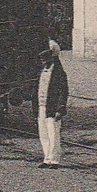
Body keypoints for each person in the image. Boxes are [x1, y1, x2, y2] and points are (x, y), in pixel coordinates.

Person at [35, 39, 69, 167]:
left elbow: (63, 91)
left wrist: (60, 108)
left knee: (53, 133)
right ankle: (47, 158)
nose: (43, 61)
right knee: (43, 133)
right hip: (41, 106)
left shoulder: (59, 73)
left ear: (52, 58)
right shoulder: (42, 72)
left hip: (52, 107)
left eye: (45, 59)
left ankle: (54, 160)